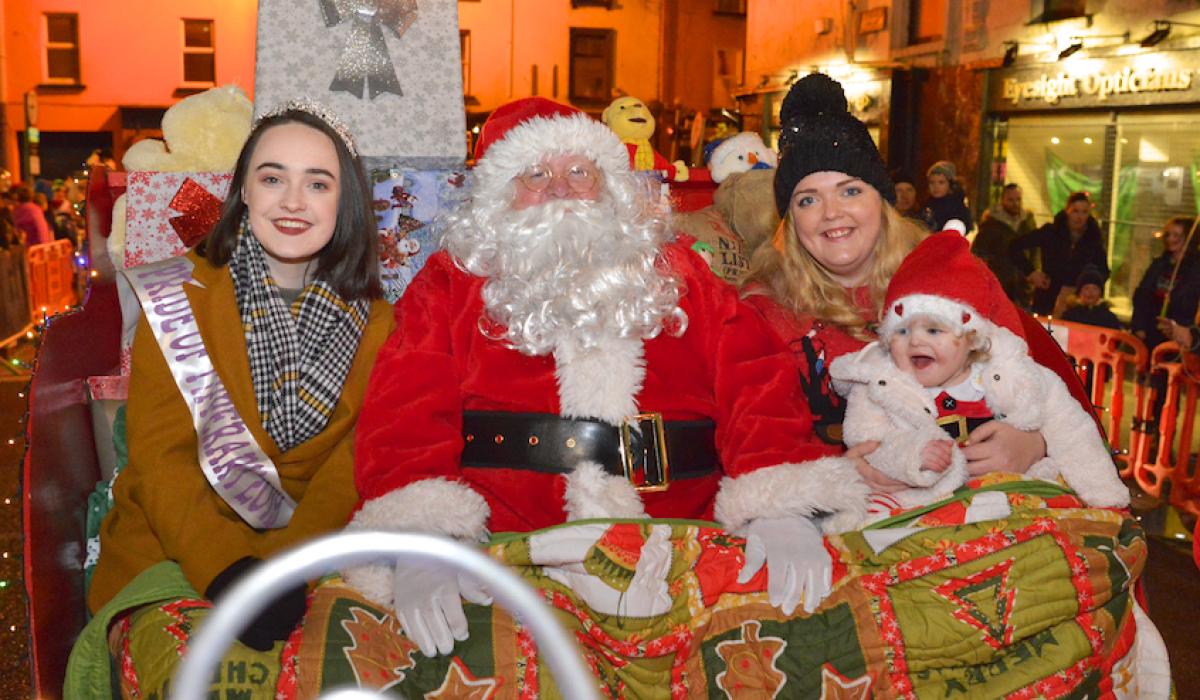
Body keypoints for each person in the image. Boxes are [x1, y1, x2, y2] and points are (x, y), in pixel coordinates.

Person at [344, 96, 870, 657]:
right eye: (535, 174)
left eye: (579, 171)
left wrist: (780, 503)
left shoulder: (678, 271)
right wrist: (424, 537)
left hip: (682, 541)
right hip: (514, 550)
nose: (560, 188)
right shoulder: (451, 281)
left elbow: (757, 386)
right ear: (500, 196)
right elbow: (405, 412)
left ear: (610, 186)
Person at [81, 101, 394, 665]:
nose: (293, 201)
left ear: (343, 201)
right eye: (272, 178)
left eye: (317, 183)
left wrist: (287, 573)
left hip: (309, 560)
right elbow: (160, 461)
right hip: (174, 553)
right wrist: (226, 571)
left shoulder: (379, 323)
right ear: (244, 190)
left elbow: (347, 470)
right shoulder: (181, 295)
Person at [742, 73, 1049, 481]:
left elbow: (1038, 386)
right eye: (808, 199)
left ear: (882, 200)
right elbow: (758, 444)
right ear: (790, 219)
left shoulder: (954, 275)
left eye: (850, 191)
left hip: (986, 493)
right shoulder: (764, 311)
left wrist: (1033, 441)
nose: (831, 212)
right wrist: (836, 474)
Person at [829, 232, 1129, 516]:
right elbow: (866, 438)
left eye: (934, 330)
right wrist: (912, 457)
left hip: (1014, 501)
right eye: (902, 331)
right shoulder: (879, 385)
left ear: (971, 338)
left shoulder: (1015, 374)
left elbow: (1071, 431)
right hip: (920, 509)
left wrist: (1105, 496)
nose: (916, 341)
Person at [1009, 190, 1109, 316]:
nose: (1079, 217)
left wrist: (1087, 287)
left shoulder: (1093, 239)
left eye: (1084, 212)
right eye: (1075, 211)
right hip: (1047, 296)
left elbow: (1103, 270)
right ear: (1067, 211)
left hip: (1077, 303)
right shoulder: (1051, 232)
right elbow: (1014, 246)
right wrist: (1031, 272)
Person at [1132, 216, 1200, 349]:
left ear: (1189, 238)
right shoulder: (1159, 264)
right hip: (1150, 334)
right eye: (1168, 234)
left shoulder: (1195, 269)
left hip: (1180, 340)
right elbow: (1141, 296)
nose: (1170, 239)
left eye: (1176, 235)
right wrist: (1139, 326)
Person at [974, 183, 1037, 304]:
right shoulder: (991, 224)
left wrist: (1033, 273)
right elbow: (979, 252)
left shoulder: (1027, 223)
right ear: (1002, 200)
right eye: (1010, 200)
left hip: (1022, 284)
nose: (1015, 203)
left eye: (1018, 199)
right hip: (999, 282)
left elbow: (1035, 251)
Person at [918, 160, 973, 234]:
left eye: (941, 182)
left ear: (950, 184)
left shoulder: (957, 207)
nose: (936, 187)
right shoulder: (926, 206)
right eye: (932, 182)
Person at [1062, 265, 1121, 330]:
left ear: (1100, 293)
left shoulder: (1109, 318)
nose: (1090, 292)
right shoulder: (1069, 316)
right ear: (1079, 292)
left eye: (1095, 289)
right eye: (1086, 288)